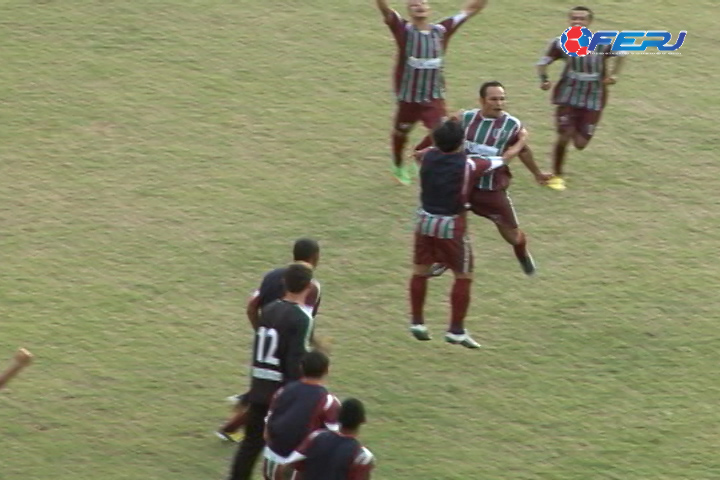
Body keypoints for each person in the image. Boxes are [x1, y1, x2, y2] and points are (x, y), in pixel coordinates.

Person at [421, 81, 551, 277]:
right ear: (482, 100)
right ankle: (444, 259)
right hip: (463, 186)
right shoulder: (466, 119)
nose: (499, 103)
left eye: (502, 99)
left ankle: (522, 253)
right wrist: (426, 149)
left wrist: (537, 173)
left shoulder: (511, 125)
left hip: (490, 190)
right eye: (494, 99)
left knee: (512, 236)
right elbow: (444, 137)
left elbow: (522, 151)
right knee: (450, 227)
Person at [409, 118, 509, 349]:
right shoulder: (469, 165)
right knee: (464, 275)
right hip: (451, 225)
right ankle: (456, 330)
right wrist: (521, 140)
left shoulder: (427, 157)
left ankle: (417, 321)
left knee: (419, 271)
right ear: (462, 142)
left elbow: (420, 153)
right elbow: (503, 159)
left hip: (423, 220)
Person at [217, 238, 322, 442]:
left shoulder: (272, 276)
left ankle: (238, 412)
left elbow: (251, 305)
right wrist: (313, 345)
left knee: (267, 389)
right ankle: (234, 423)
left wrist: (261, 332)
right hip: (289, 345)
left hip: (266, 341)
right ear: (315, 257)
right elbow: (304, 320)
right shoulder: (312, 287)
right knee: (279, 393)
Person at [375, 0, 489, 185]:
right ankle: (398, 166)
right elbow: (385, 10)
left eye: (422, 2)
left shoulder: (442, 31)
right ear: (409, 11)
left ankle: (420, 154)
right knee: (400, 133)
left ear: (429, 8)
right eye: (414, 4)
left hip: (433, 98)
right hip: (408, 99)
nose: (419, 6)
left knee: (444, 132)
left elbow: (470, 9)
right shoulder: (403, 30)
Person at [227, 264, 319, 480]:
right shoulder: (302, 318)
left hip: (260, 386)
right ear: (308, 287)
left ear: (284, 284)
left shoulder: (268, 310)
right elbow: (295, 362)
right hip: (280, 393)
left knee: (250, 446)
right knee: (288, 453)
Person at [536, 5, 626, 190]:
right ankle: (557, 175)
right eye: (574, 18)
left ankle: (573, 126)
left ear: (589, 22)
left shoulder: (601, 43)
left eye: (582, 19)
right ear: (569, 21)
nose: (577, 21)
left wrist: (614, 75)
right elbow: (543, 62)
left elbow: (622, 53)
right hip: (568, 95)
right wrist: (544, 79)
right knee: (563, 136)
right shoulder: (561, 42)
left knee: (580, 144)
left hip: (594, 97)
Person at [261, 351, 340, 480]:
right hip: (299, 468)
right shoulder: (328, 401)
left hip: (272, 459)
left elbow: (266, 431)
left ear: (301, 367)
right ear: (326, 371)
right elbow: (336, 442)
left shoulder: (282, 391)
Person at [285, 398, 374, 480]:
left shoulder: (316, 437)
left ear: (338, 417)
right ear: (363, 420)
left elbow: (294, 467)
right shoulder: (362, 457)